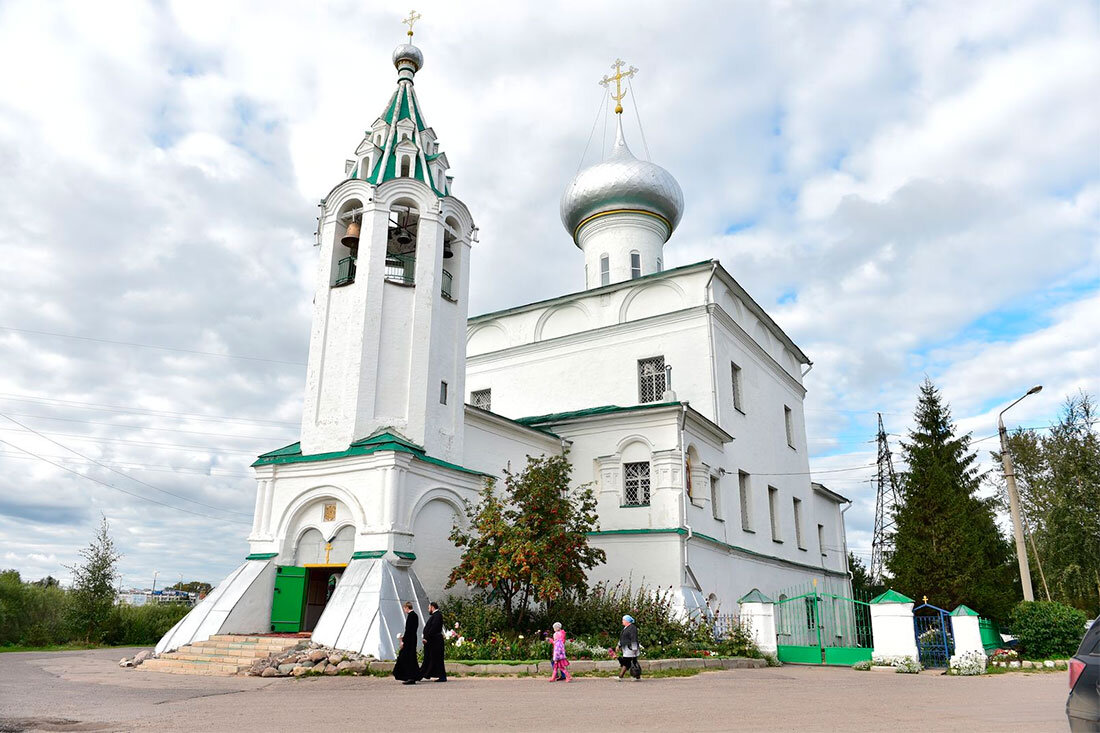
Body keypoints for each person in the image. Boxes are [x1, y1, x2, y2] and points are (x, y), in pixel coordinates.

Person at [393, 601, 421, 685]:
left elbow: (408, 630)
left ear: (406, 608)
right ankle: (412, 676)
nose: (404, 610)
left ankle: (410, 676)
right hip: (412, 639)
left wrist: (403, 640)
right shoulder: (415, 615)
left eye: (404, 609)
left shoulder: (411, 616)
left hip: (409, 640)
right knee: (411, 658)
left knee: (407, 658)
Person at [420, 601, 447, 682]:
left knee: (436, 659)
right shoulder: (436, 615)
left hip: (435, 641)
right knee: (433, 659)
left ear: (432, 607)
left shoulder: (437, 615)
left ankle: (441, 676)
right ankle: (426, 674)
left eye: (429, 608)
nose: (428, 610)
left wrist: (426, 637)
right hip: (434, 641)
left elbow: (433, 628)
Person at [617, 614, 641, 680]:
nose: (622, 621)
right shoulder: (625, 628)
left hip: (630, 649)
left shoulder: (632, 628)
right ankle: (637, 676)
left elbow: (634, 638)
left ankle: (620, 676)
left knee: (626, 662)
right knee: (633, 662)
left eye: (623, 620)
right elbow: (622, 638)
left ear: (627, 621)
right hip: (626, 648)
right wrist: (618, 645)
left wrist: (634, 649)